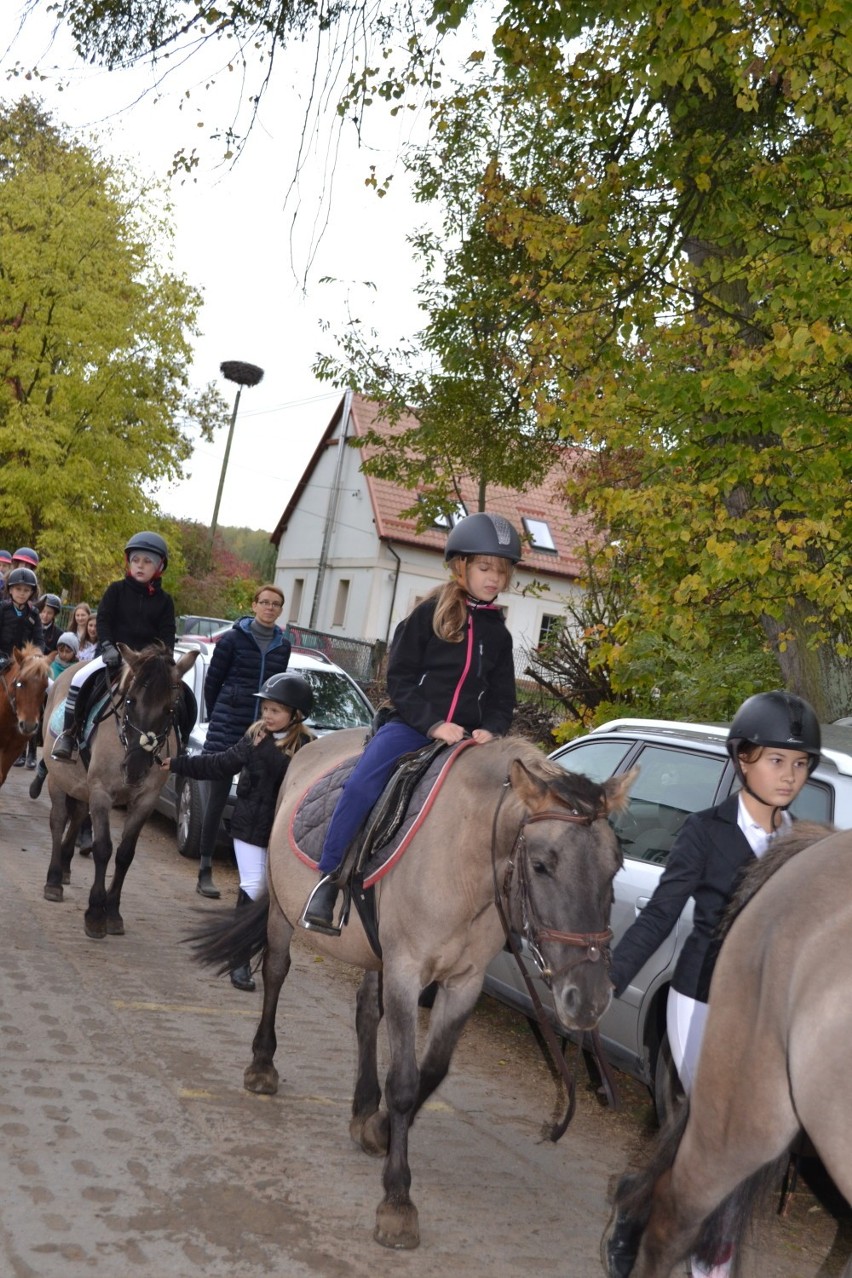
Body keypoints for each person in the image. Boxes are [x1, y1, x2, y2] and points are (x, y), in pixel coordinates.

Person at [606, 690, 821, 1278]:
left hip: (768, 1014)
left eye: (801, 764)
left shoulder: (804, 843)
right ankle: (709, 1265)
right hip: (701, 1000)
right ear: (743, 758)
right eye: (777, 760)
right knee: (728, 1141)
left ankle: (641, 1198)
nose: (790, 776)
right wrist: (613, 977)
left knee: (727, 1141)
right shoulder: (704, 832)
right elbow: (659, 914)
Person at [302, 511, 520, 932]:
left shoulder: (500, 635)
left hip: (470, 740)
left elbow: (502, 697)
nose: (494, 577)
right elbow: (399, 679)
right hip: (413, 727)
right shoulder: (428, 614)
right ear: (462, 567)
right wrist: (433, 723)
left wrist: (491, 729)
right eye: (484, 567)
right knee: (363, 783)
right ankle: (329, 881)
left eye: (502, 570)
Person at [162, 672, 314, 989]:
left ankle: (268, 953)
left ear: (296, 714)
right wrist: (178, 764)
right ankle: (239, 959)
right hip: (248, 829)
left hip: (281, 834)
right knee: (254, 887)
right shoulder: (253, 738)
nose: (267, 716)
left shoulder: (306, 748)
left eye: (275, 710)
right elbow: (219, 764)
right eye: (266, 709)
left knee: (276, 897)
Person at [192, 583, 292, 900]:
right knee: (216, 799)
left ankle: (250, 875)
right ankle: (205, 869)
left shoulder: (282, 647)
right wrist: (224, 709)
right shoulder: (233, 640)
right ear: (254, 605)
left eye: (276, 604)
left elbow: (279, 691)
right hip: (228, 725)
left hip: (264, 731)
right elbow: (213, 683)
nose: (270, 608)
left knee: (258, 801)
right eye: (264, 602)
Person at [51, 531, 176, 761]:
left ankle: (179, 741)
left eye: (147, 562)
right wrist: (107, 645)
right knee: (79, 679)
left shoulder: (165, 601)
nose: (140, 566)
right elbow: (103, 620)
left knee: (180, 694)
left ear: (159, 567)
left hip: (147, 665)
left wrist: (165, 660)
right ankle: (70, 734)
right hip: (113, 655)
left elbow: (168, 634)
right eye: (136, 560)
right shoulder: (116, 590)